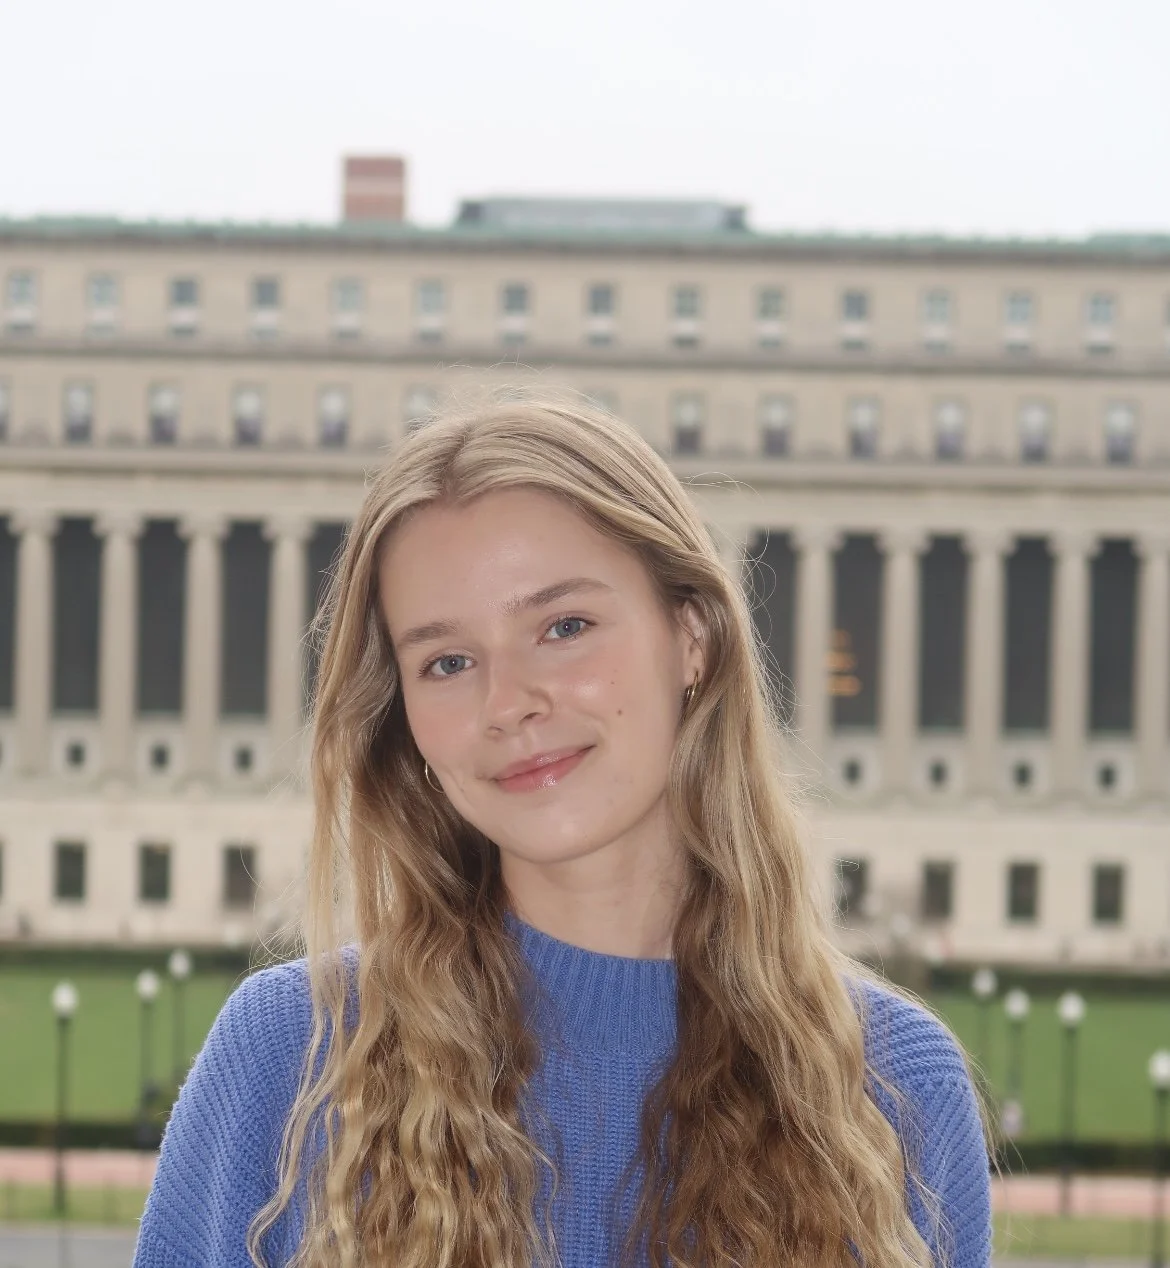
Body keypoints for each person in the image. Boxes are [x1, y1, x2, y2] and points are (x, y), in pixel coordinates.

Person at [133, 387, 992, 1268]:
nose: (508, 703)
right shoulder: (291, 1058)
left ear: (690, 636)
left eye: (564, 626)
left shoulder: (896, 1086)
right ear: (406, 717)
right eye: (448, 661)